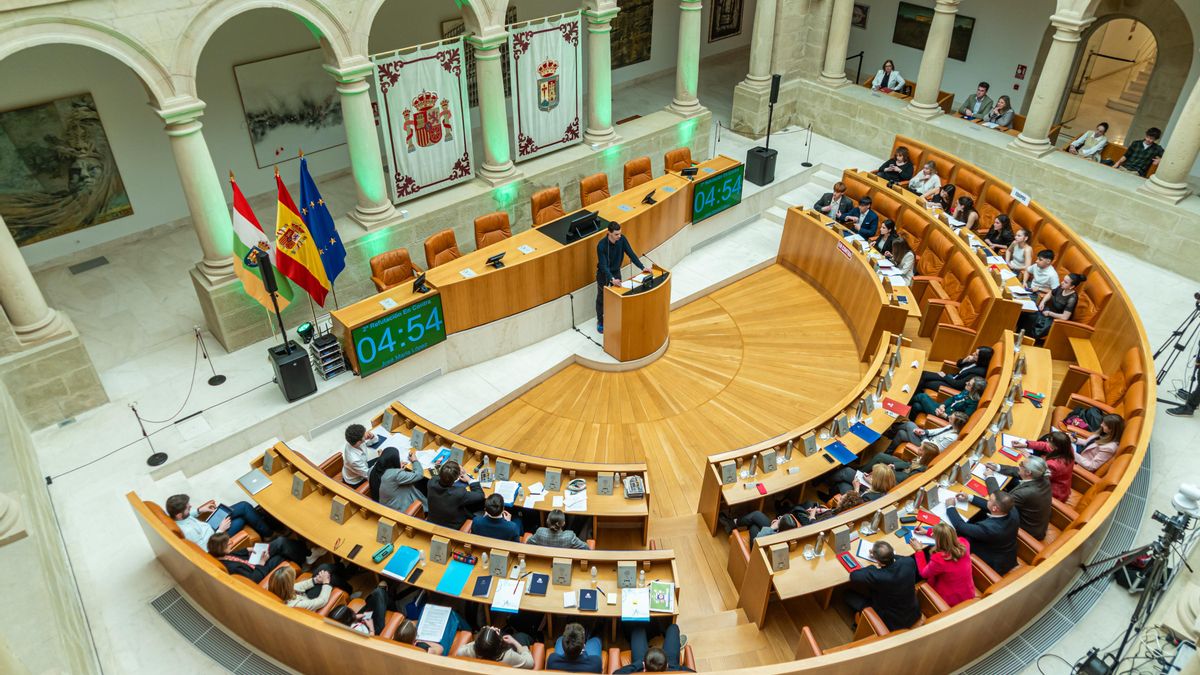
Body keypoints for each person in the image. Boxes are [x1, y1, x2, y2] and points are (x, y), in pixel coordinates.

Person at [845, 541, 921, 631]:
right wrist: (886, 556)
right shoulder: (909, 562)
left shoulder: (879, 576)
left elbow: (854, 576)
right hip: (912, 612)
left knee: (847, 594)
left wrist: (873, 567)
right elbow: (900, 559)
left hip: (893, 620)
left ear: (878, 561)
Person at [595, 222, 652, 334]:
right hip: (603, 275)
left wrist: (642, 267)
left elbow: (631, 254)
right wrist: (612, 279)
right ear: (609, 234)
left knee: (619, 296)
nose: (619, 236)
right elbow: (603, 266)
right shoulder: (601, 245)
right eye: (616, 234)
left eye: (620, 233)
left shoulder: (622, 240)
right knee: (602, 299)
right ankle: (600, 321)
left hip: (616, 272)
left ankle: (616, 318)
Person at [946, 490, 1019, 575]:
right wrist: (969, 498)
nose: (988, 500)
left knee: (954, 537)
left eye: (990, 500)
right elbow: (991, 507)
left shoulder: (989, 529)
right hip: (1007, 552)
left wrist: (950, 507)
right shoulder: (1012, 510)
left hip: (995, 562)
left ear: (995, 508)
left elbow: (960, 526)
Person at [164, 493, 273, 550]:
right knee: (241, 519)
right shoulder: (188, 532)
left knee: (243, 506)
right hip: (216, 538)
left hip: (209, 525)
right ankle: (269, 535)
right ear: (179, 515)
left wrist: (199, 510)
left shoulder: (175, 517)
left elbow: (188, 515)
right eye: (188, 508)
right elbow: (206, 548)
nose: (190, 507)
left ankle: (265, 527)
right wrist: (221, 529)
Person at [983, 456, 1052, 540]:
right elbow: (1019, 471)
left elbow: (999, 500)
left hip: (1027, 531)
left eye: (1021, 464)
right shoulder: (1043, 477)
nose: (1019, 466)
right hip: (1037, 524)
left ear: (1028, 472)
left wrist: (990, 477)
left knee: (984, 512)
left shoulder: (1023, 493)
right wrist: (998, 467)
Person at [911, 522, 974, 607]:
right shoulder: (964, 542)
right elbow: (947, 538)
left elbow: (924, 573)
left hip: (951, 599)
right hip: (967, 591)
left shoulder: (940, 560)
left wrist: (919, 551)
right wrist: (927, 532)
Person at [205, 532, 307, 583]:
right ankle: (305, 554)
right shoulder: (233, 569)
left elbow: (235, 556)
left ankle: (304, 550)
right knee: (281, 555)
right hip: (260, 569)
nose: (231, 543)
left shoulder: (220, 554)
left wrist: (247, 550)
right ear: (221, 549)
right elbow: (253, 579)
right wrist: (261, 563)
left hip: (254, 560)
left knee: (280, 542)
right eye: (228, 544)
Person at [1020, 272, 1084, 341]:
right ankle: (1019, 335)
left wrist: (1049, 313)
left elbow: (1065, 317)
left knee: (1032, 320)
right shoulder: (1062, 287)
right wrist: (1043, 302)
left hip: (1055, 320)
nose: (1062, 282)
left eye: (1065, 282)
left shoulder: (1072, 298)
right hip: (1047, 311)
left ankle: (1025, 340)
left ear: (1072, 287)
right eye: (1063, 280)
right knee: (1027, 313)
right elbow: (1050, 293)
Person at [1013, 431, 1074, 502]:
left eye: (1049, 441)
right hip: (1063, 485)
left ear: (1055, 447)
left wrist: (1030, 458)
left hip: (1053, 493)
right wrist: (1026, 445)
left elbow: (1036, 477)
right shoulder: (1067, 449)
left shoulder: (1053, 465)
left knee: (1015, 480)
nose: (1047, 441)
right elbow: (1045, 446)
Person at [426, 460, 485, 529]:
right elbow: (480, 495)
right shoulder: (458, 493)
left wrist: (447, 470)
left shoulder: (431, 482)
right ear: (457, 478)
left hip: (433, 520)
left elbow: (438, 477)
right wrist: (469, 479)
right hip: (451, 526)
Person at [369, 447, 427, 514]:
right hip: (398, 509)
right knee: (422, 483)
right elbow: (419, 475)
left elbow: (386, 479)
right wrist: (415, 460)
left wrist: (397, 469)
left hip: (382, 503)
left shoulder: (371, 469)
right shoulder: (395, 475)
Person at [614, 623, 692, 673]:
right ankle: (677, 645)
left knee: (638, 629)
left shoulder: (640, 666)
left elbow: (616, 673)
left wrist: (638, 665)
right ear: (667, 665)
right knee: (673, 627)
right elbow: (694, 673)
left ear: (644, 666)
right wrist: (674, 668)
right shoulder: (673, 668)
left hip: (641, 665)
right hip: (670, 666)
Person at [916, 345, 994, 394]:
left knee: (926, 382)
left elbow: (958, 385)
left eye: (976, 354)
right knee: (924, 374)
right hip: (951, 378)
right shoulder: (974, 361)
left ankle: (912, 399)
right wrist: (965, 360)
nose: (973, 354)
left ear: (982, 358)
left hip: (953, 386)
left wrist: (944, 376)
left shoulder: (978, 372)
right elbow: (958, 364)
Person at [886, 411, 969, 455]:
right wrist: (924, 432)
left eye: (951, 418)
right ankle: (888, 451)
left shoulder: (952, 438)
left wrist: (922, 436)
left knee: (910, 424)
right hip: (927, 439)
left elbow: (934, 449)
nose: (949, 417)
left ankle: (892, 429)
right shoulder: (951, 427)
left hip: (926, 447)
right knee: (901, 433)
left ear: (956, 423)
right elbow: (938, 431)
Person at [457, 625, 537, 668]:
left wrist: (483, 640)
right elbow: (530, 663)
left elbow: (477, 645)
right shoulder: (508, 656)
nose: (493, 627)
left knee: (504, 632)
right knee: (522, 636)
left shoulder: (465, 652)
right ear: (499, 643)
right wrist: (515, 642)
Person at [910, 375, 985, 418]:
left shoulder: (973, 404)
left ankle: (903, 404)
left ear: (974, 390)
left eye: (969, 384)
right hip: (942, 409)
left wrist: (945, 415)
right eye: (968, 381)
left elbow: (961, 419)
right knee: (916, 406)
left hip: (943, 416)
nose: (966, 383)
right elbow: (953, 398)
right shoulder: (966, 391)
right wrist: (943, 405)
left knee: (922, 396)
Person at [267, 565, 332, 611]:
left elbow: (295, 587)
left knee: (324, 568)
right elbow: (322, 601)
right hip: (310, 603)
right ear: (288, 585)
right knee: (332, 577)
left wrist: (315, 580)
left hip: (301, 596)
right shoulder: (297, 606)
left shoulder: (277, 589)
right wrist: (326, 582)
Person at [728, 511, 798, 542]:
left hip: (759, 549)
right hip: (776, 531)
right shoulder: (791, 532)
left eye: (780, 519)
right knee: (757, 515)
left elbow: (756, 541)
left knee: (753, 526)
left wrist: (772, 528)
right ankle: (735, 522)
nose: (779, 518)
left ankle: (733, 523)